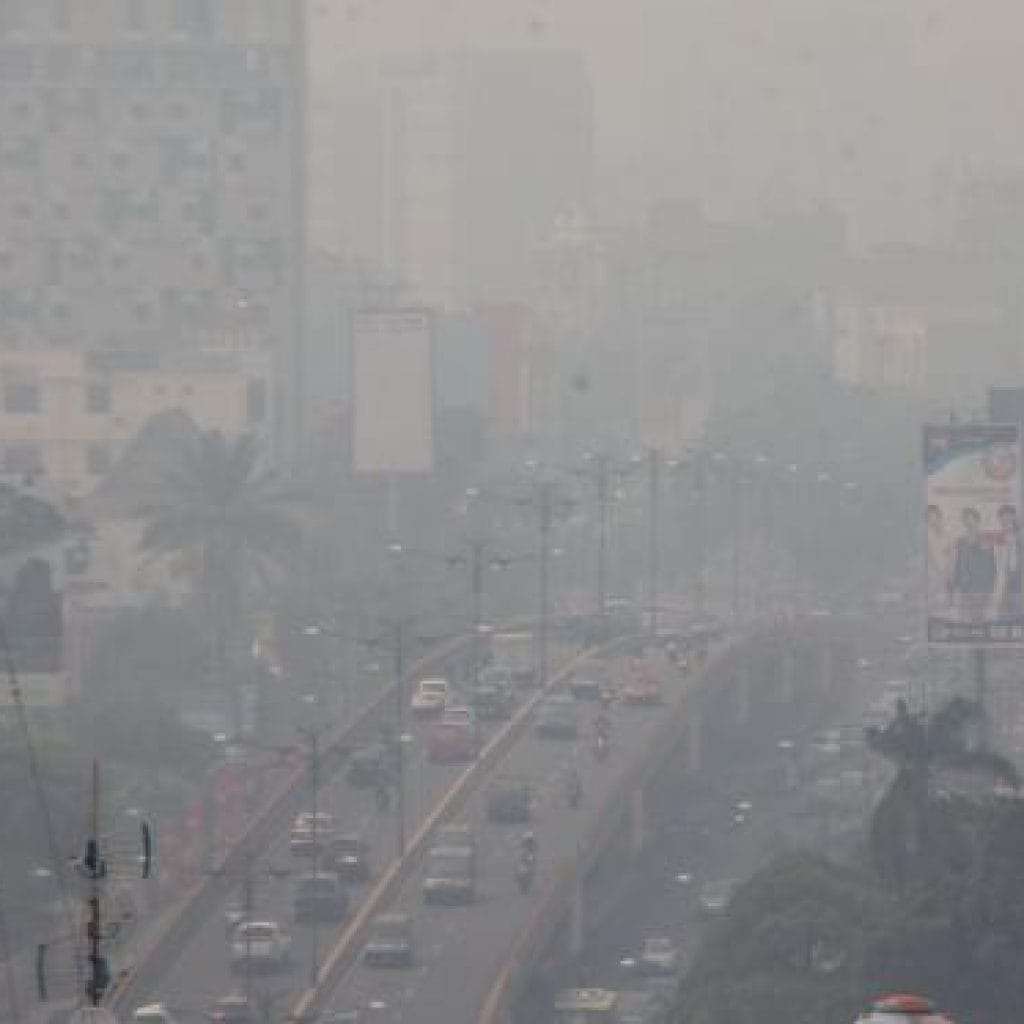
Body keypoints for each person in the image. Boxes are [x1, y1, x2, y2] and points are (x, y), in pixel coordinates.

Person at [950, 507, 996, 622]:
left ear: (977, 520)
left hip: (981, 585)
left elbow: (990, 565)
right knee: (964, 616)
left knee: (981, 616)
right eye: (966, 519)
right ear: (964, 522)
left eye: (972, 519)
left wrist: (990, 585)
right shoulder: (960, 541)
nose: (969, 523)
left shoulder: (986, 539)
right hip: (965, 585)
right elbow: (958, 564)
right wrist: (955, 582)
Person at [990, 504, 1021, 619]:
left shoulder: (1020, 535)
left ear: (1013, 517)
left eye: (1008, 516)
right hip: (1001, 575)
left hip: (1018, 576)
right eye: (1003, 516)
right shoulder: (997, 536)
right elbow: (995, 558)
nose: (1006, 519)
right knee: (1000, 605)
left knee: (1017, 605)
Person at [925, 504, 953, 615]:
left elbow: (951, 556)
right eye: (930, 519)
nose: (934, 521)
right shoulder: (926, 536)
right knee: (932, 606)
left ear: (939, 517)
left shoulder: (947, 534)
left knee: (945, 605)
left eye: (935, 517)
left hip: (946, 577)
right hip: (931, 578)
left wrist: (948, 574)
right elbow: (930, 558)